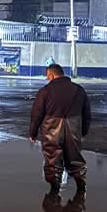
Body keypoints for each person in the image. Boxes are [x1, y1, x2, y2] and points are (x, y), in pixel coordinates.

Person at [28, 63, 91, 194]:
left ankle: (54, 188)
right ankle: (81, 184)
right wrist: (83, 131)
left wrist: (32, 133)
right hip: (74, 126)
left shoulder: (45, 91)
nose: (47, 79)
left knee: (52, 157)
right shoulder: (79, 90)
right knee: (75, 157)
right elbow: (86, 114)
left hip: (51, 128)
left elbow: (37, 113)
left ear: (51, 75)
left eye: (47, 76)